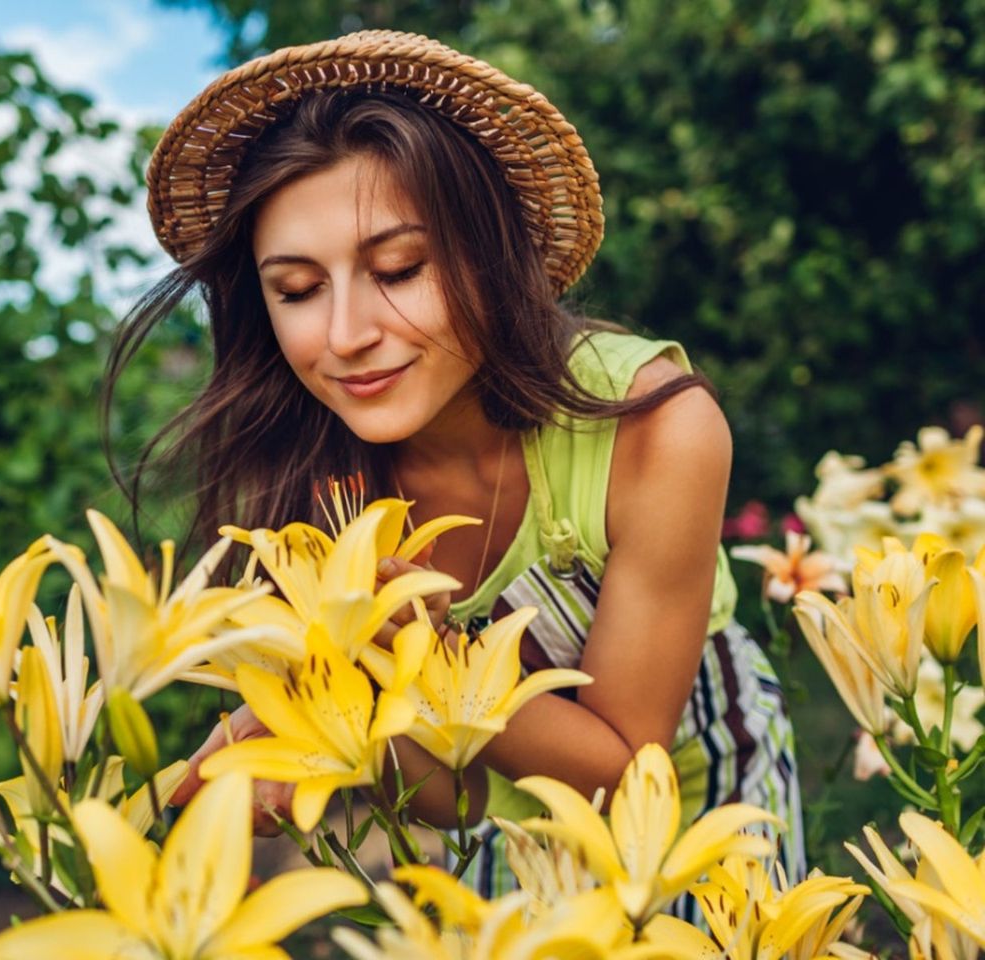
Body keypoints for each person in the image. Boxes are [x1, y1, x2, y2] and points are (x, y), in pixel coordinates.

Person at [106, 30, 804, 918]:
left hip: (710, 802)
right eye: (296, 289)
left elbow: (631, 769)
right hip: (513, 842)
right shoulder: (314, 482)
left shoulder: (657, 426)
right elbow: (458, 801)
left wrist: (420, 656)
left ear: (491, 254)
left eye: (399, 268)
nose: (347, 334)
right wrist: (324, 732)